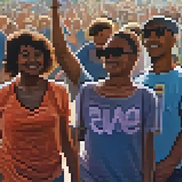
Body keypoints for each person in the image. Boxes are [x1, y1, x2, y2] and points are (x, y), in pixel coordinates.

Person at [75, 30, 157, 182]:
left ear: (134, 57)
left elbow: (148, 148)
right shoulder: (87, 92)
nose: (110, 57)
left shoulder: (146, 97)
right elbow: (77, 137)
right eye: (107, 52)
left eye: (117, 52)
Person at [0, 31, 80, 182]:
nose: (32, 60)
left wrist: (76, 178)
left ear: (45, 58)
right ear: (15, 59)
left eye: (37, 55)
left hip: (53, 176)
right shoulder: (3, 95)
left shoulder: (59, 92)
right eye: (25, 55)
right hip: (11, 176)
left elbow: (66, 141)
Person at [135, 16, 182, 182]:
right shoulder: (137, 82)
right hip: (140, 170)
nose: (152, 39)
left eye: (158, 33)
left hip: (176, 172)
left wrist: (169, 164)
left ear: (174, 38)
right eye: (147, 34)